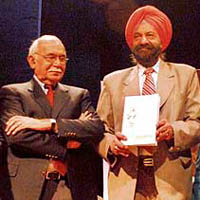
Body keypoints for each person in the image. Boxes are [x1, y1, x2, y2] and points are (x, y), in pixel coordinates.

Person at [97, 5, 200, 200]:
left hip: (172, 182)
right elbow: (101, 129)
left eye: (150, 35)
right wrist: (111, 144)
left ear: (162, 40)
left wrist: (173, 131)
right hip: (126, 183)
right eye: (137, 36)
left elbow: (197, 123)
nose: (143, 41)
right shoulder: (112, 82)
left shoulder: (186, 75)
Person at [0, 35, 104, 200]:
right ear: (32, 61)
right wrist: (69, 144)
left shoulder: (78, 95)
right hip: (26, 187)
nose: (58, 64)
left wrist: (52, 125)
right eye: (51, 57)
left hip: (70, 186)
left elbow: (96, 128)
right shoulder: (13, 93)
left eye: (62, 58)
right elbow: (18, 137)